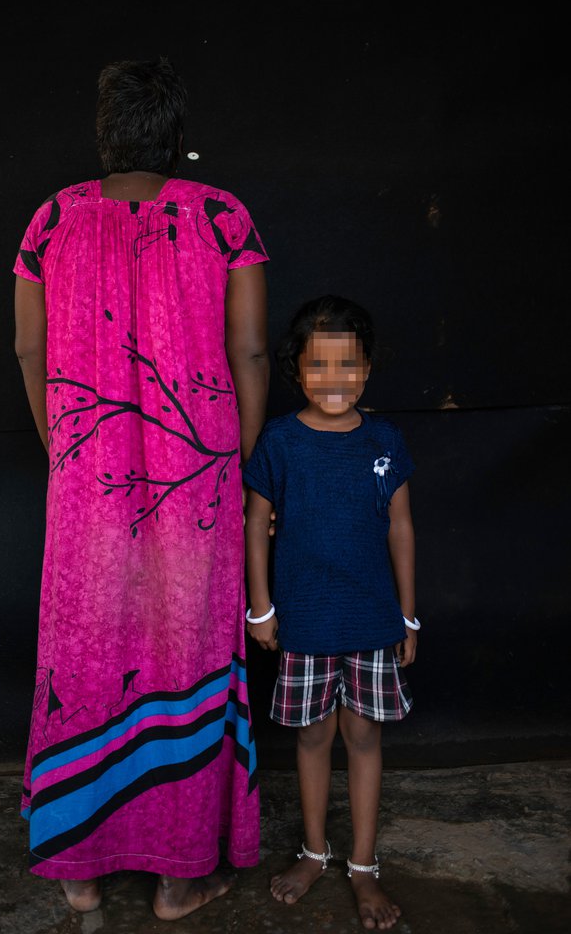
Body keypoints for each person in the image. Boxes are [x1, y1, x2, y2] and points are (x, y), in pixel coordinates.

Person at [13, 58, 270, 920]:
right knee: (187, 650)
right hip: (198, 475)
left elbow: (27, 351)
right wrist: (230, 455)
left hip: (87, 479)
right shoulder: (221, 220)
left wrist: (67, 451)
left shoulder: (52, 219)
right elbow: (251, 354)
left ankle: (78, 873)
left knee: (86, 657)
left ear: (103, 132)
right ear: (177, 138)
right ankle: (178, 877)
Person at [243, 295, 417, 931]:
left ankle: (363, 865)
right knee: (313, 737)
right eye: (320, 366)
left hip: (372, 620)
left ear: (367, 369)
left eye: (349, 365)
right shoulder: (282, 441)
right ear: (298, 371)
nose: (335, 380)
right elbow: (256, 521)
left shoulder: (384, 440)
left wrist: (409, 617)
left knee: (364, 737)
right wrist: (260, 609)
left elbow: (401, 528)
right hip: (306, 622)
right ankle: (315, 853)